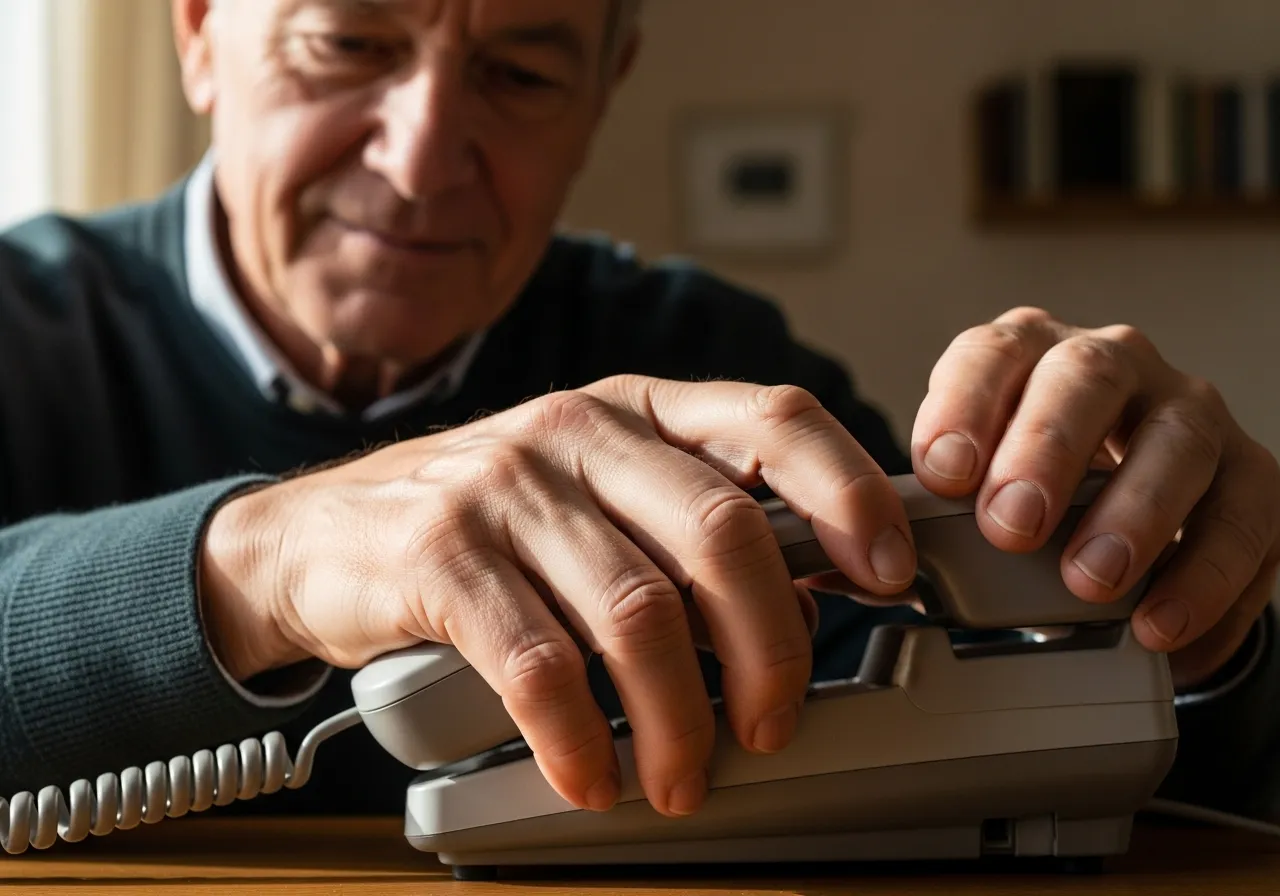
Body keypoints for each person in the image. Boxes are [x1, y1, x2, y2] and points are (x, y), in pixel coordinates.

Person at [2, 0, 1279, 830]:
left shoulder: (719, 372)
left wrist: (1178, 628)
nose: (421, 157)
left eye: (519, 72)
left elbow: (1073, 764)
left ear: (603, 92)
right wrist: (264, 560)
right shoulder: (22, 325)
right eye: (347, 44)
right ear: (197, 36)